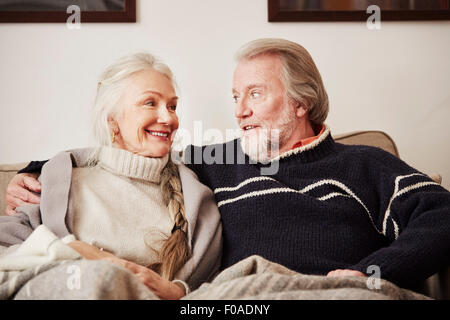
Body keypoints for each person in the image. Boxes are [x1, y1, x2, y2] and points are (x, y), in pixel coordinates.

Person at [6, 38, 450, 292]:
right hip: (242, 295)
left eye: (255, 94)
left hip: (337, 291)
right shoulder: (215, 162)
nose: (239, 111)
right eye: (235, 97)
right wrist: (39, 169)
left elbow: (441, 215)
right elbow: (129, 153)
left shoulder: (364, 163)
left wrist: (373, 271)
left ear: (301, 101)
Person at [0, 52, 222, 299]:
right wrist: (74, 252)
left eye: (172, 106)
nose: (168, 117)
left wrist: (178, 290)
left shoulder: (195, 199)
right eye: (150, 103)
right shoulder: (59, 183)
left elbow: (210, 290)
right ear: (112, 121)